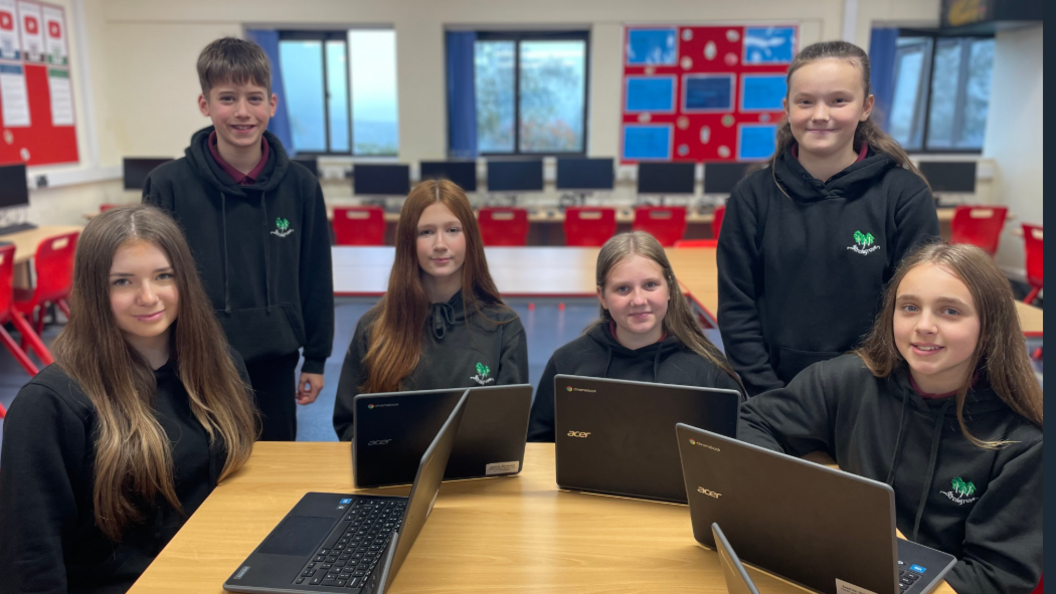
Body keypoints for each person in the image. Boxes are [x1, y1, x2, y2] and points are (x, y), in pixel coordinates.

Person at [739, 243, 1042, 594]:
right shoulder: (847, 379)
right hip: (838, 567)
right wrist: (808, 495)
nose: (924, 326)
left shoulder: (1023, 443)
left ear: (989, 328)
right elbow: (751, 422)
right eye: (909, 307)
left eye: (950, 311)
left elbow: (995, 579)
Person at [0, 206, 259, 594]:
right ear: (93, 292)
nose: (148, 296)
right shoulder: (51, 407)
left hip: (216, 571)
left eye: (163, 276)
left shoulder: (219, 366)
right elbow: (30, 560)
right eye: (122, 282)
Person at [718, 40, 939, 396]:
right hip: (773, 391)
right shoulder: (752, 196)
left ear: (865, 107)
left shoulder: (904, 195)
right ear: (787, 108)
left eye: (838, 100)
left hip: (878, 393)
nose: (820, 115)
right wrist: (768, 395)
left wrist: (882, 392)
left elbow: (916, 307)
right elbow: (736, 308)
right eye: (805, 101)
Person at [143, 37, 333, 441]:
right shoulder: (166, 185)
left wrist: (316, 358)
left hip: (275, 360)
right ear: (205, 105)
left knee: (272, 475)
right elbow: (154, 280)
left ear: (273, 105)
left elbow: (315, 274)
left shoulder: (300, 186)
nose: (243, 112)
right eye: (228, 98)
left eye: (254, 98)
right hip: (193, 361)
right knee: (201, 474)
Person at [332, 180, 528, 440]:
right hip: (396, 478)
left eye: (452, 230)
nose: (440, 244)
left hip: (474, 477)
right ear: (408, 242)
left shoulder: (504, 327)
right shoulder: (374, 327)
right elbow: (350, 424)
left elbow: (511, 430)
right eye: (426, 232)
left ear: (469, 237)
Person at [527, 231, 742, 442]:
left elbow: (733, 457)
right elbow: (538, 446)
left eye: (650, 285)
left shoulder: (710, 371)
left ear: (669, 288)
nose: (638, 300)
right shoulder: (567, 363)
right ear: (602, 296)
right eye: (623, 288)